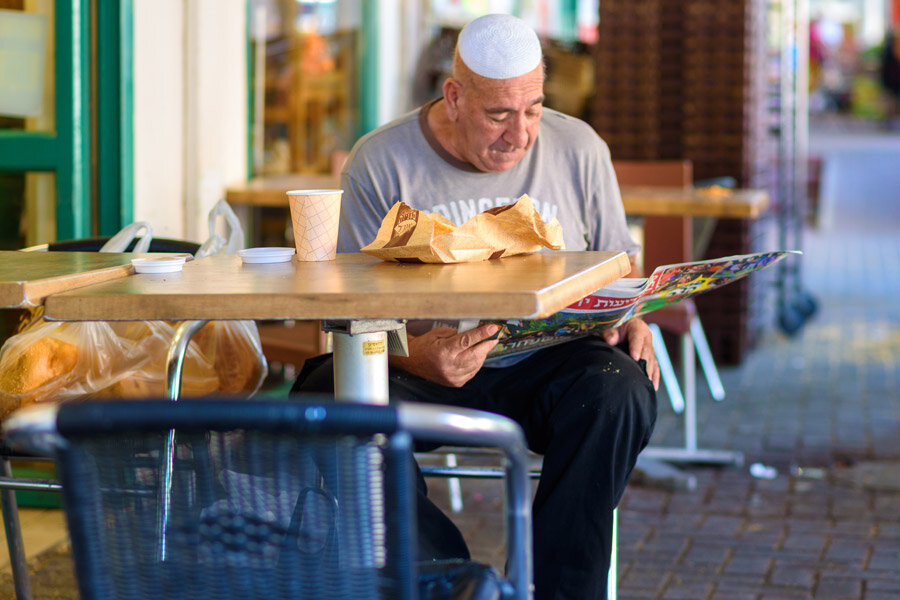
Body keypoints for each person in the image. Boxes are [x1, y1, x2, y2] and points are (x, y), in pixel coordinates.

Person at [291, 13, 659, 600]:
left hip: (553, 364)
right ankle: (451, 583)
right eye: (498, 114)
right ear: (455, 96)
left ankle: (556, 589)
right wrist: (412, 355)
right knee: (326, 400)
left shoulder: (580, 147)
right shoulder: (381, 160)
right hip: (421, 365)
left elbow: (617, 265)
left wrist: (633, 314)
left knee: (621, 391)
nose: (520, 135)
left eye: (534, 109)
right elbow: (345, 310)